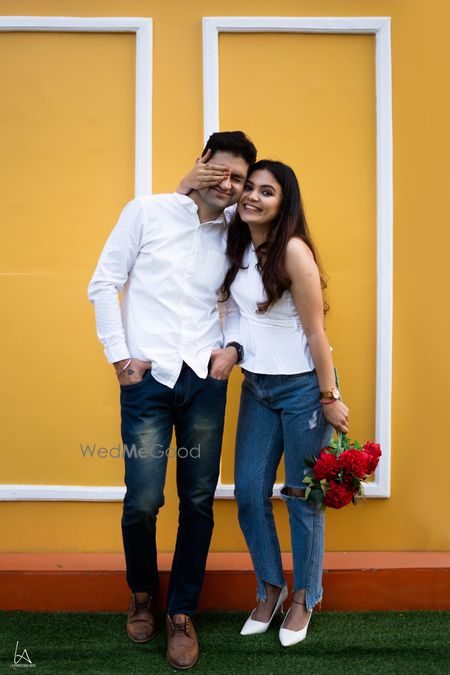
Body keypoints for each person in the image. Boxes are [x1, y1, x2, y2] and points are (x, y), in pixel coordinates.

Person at [88, 131, 256, 670]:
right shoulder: (147, 212)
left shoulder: (236, 235)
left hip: (204, 380)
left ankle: (181, 612)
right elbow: (103, 284)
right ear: (201, 162)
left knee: (198, 501)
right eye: (220, 171)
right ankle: (142, 594)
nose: (227, 185)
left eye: (238, 179)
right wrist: (120, 360)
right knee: (142, 500)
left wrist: (232, 349)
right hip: (149, 382)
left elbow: (235, 302)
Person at [179, 158, 349, 647]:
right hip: (257, 385)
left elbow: (316, 333)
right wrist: (195, 177)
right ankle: (271, 588)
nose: (252, 196)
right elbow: (192, 203)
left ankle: (305, 596)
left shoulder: (293, 250)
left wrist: (329, 395)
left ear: (283, 202)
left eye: (266, 191)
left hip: (303, 390)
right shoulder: (237, 237)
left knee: (300, 496)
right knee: (250, 493)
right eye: (249, 187)